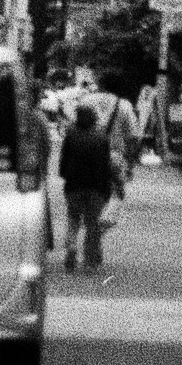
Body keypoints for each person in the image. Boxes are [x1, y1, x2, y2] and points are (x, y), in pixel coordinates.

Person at [57, 100, 116, 277]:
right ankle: (89, 261)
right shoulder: (102, 138)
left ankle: (71, 247)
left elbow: (63, 163)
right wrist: (108, 188)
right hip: (96, 187)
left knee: (73, 219)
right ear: (94, 119)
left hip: (74, 185)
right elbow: (106, 166)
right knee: (92, 224)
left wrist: (66, 175)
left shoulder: (70, 135)